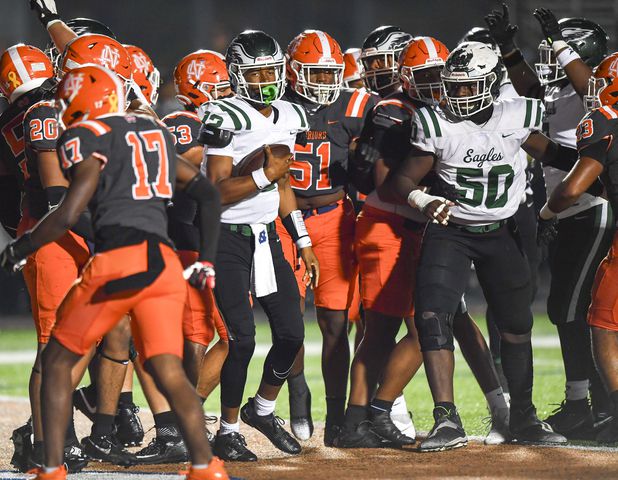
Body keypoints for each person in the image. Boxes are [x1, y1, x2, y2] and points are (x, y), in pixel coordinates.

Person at [0, 64, 227, 480]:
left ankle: (51, 467)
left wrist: (21, 247)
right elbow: (209, 194)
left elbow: (67, 212)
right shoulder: (154, 131)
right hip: (163, 264)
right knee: (167, 367)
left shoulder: (84, 137)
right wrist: (206, 259)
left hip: (115, 264)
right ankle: (206, 466)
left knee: (56, 361)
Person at [379, 42, 570, 451]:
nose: (458, 96)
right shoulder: (436, 123)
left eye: (468, 88)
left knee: (516, 327)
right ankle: (447, 420)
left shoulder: (516, 115)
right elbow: (401, 179)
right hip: (453, 230)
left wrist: (598, 166)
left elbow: (552, 153)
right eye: (454, 88)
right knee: (431, 316)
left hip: (503, 230)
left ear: (489, 84)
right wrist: (422, 199)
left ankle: (523, 415)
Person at [485, 5, 614, 438]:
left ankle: (598, 406)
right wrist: (507, 49)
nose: (549, 61)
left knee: (575, 310)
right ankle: (582, 402)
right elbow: (535, 92)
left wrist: (561, 42)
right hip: (563, 207)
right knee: (566, 310)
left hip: (589, 207)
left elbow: (586, 88)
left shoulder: (597, 94)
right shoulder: (561, 95)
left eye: (556, 53)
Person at [201, 30, 319, 462]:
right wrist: (262, 177)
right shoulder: (222, 114)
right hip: (227, 238)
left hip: (269, 236)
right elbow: (213, 191)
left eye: (272, 69)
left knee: (291, 334)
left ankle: (262, 409)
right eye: (257, 72)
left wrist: (302, 238)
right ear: (237, 75)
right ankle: (228, 430)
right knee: (241, 340)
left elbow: (284, 180)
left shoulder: (289, 113)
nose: (267, 78)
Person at [134, 49, 233, 465]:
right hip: (183, 239)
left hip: (202, 237)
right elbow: (173, 170)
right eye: (221, 86)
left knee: (229, 337)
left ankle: (183, 414)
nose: (229, 92)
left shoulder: (215, 121)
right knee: (197, 336)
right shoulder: (181, 122)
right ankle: (181, 420)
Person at [279, 29, 375, 444]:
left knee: (336, 323)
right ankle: (298, 394)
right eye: (315, 74)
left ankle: (336, 416)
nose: (324, 82)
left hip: (335, 218)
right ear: (294, 72)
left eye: (330, 74)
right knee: (288, 323)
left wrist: (364, 159)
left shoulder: (355, 104)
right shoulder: (275, 104)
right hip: (283, 220)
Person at [0, 42, 89, 473]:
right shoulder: (48, 112)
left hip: (39, 224)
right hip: (57, 226)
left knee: (88, 333)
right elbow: (58, 194)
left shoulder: (6, 122)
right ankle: (48, 438)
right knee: (53, 342)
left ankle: (63, 428)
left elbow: (3, 199)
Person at [541, 52, 618, 443]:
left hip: (606, 229)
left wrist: (545, 214)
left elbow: (573, 186)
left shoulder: (603, 119)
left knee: (601, 322)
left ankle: (609, 410)